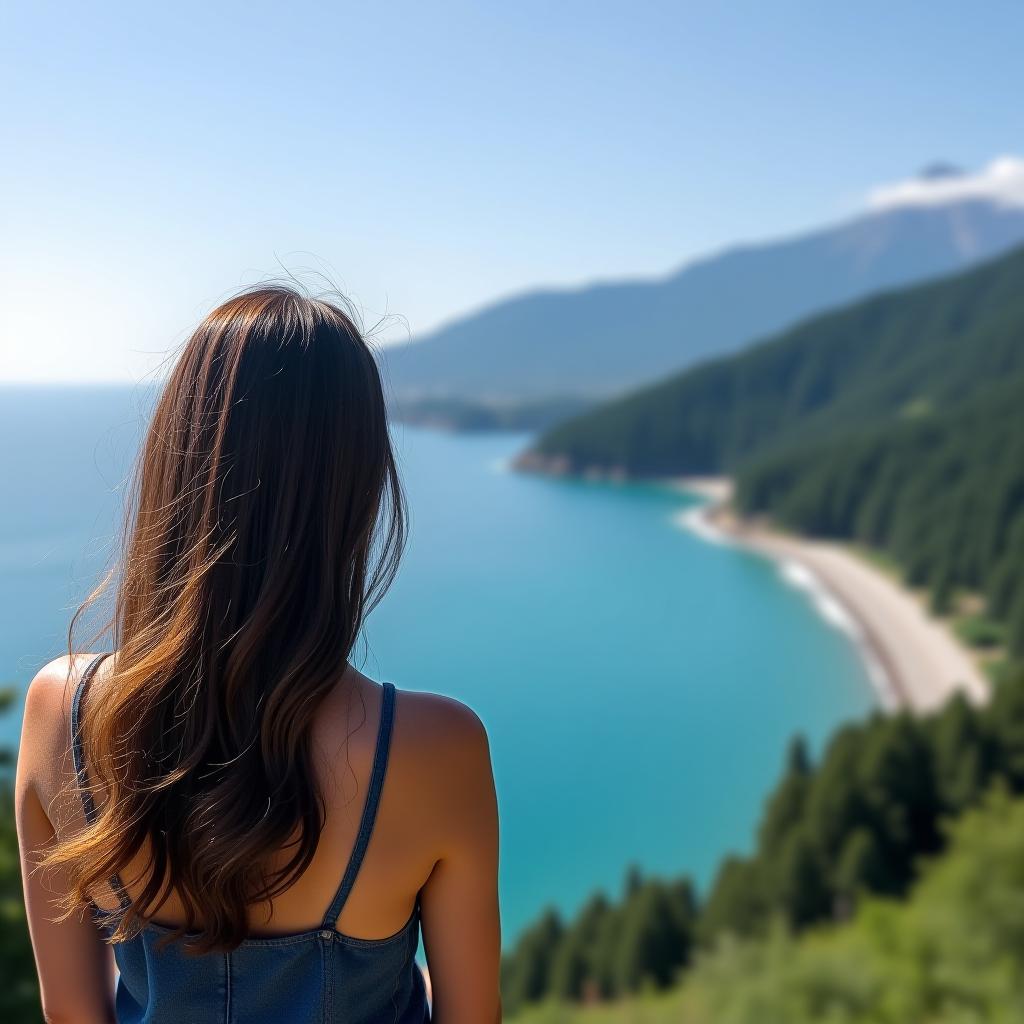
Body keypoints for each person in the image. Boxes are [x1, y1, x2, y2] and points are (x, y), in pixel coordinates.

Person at [15, 287, 501, 1023]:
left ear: (176, 463)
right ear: (357, 490)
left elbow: (73, 1015)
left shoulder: (62, 712)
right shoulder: (435, 747)